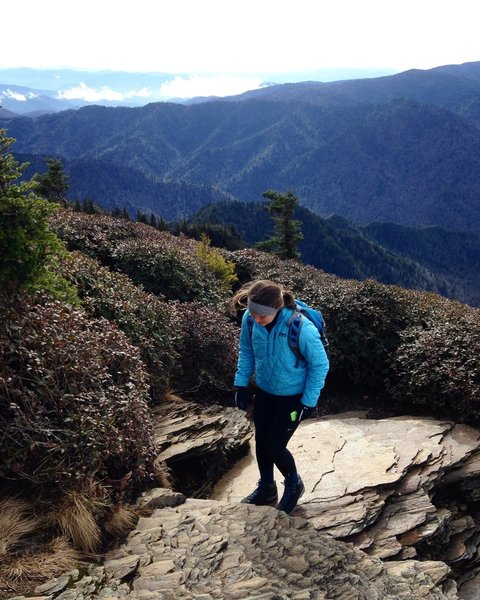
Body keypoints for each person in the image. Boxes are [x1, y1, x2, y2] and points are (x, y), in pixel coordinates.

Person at [232, 279, 329, 514]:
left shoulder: (301, 328)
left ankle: (294, 484)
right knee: (262, 443)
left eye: (262, 316)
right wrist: (240, 384)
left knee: (275, 446)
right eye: (253, 314)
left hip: (292, 398)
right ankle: (267, 487)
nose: (256, 319)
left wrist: (308, 402)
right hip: (265, 391)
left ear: (276, 309)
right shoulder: (250, 318)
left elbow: (320, 365)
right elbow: (246, 350)